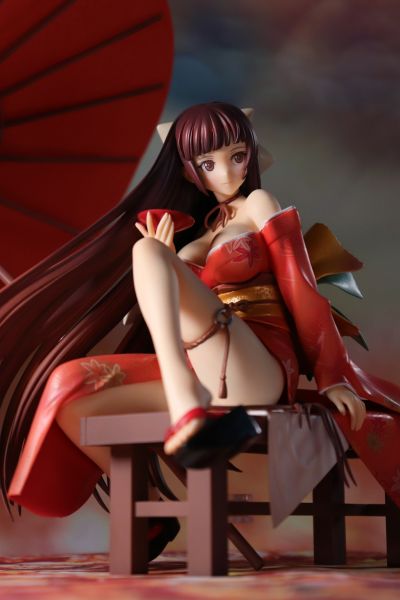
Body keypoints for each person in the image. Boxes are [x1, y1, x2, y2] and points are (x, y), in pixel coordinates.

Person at [1, 102, 399, 545]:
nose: (226, 172)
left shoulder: (258, 204)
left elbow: (300, 287)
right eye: (209, 164)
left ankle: (185, 406)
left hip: (258, 365)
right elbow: (166, 312)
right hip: (201, 368)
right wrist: (166, 260)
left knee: (147, 251)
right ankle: (150, 513)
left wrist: (331, 375)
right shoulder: (199, 234)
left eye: (237, 156)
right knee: (71, 391)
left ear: (251, 155)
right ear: (191, 173)